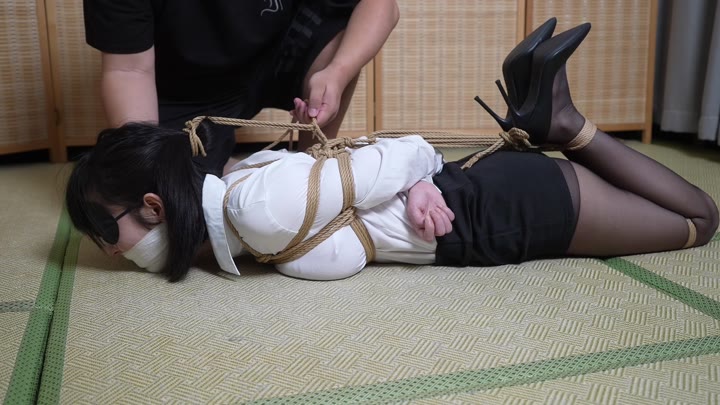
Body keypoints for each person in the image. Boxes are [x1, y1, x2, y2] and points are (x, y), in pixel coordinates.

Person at [66, 22, 719, 282]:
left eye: (106, 232)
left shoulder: (254, 209)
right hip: (481, 200)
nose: (112, 253)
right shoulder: (238, 190)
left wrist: (419, 181)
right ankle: (554, 127)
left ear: (153, 204)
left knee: (701, 220)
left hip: (494, 213)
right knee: (685, 215)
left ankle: (565, 124)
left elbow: (404, 152)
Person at [83, 0, 400, 176]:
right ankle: (231, 167)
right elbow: (128, 70)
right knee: (164, 194)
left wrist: (336, 73)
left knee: (345, 35)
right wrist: (145, 162)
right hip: (184, 88)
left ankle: (313, 168)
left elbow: (381, 5)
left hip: (279, 51)